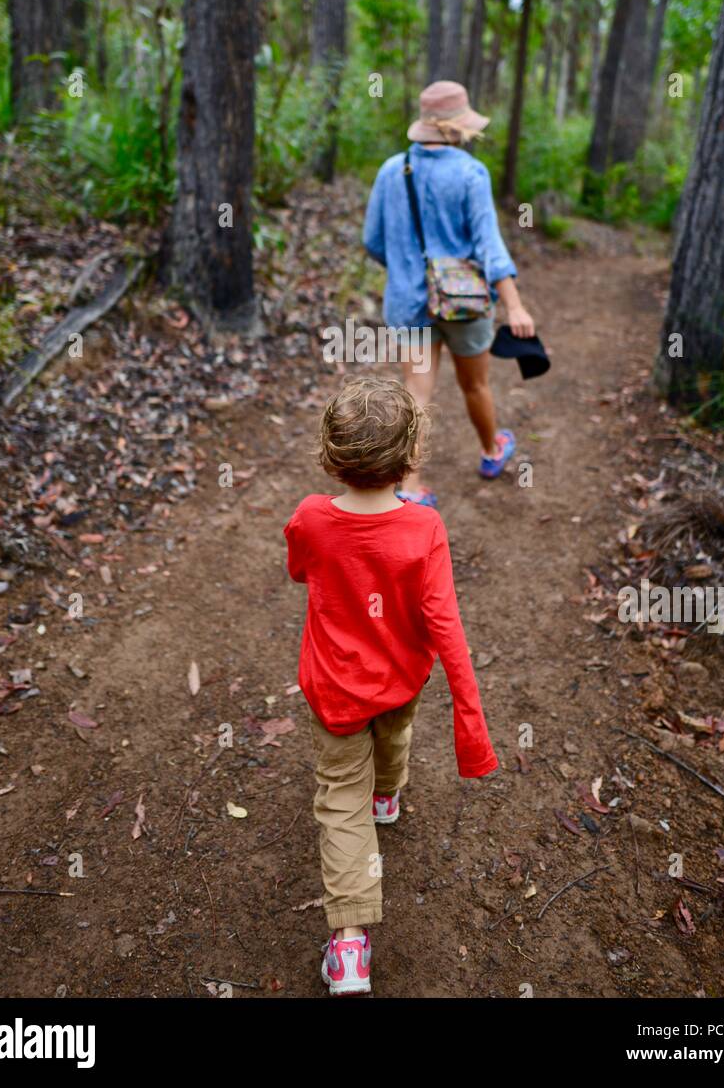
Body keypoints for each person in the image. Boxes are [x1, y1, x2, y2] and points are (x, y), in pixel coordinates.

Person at [284, 376, 498, 996]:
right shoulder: (424, 531)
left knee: (337, 803)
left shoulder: (311, 517)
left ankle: (349, 948)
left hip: (333, 690)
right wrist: (470, 717)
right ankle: (388, 795)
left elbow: (300, 566)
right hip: (401, 680)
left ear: (331, 455)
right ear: (411, 458)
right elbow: (445, 625)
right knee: (394, 735)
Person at [363, 79, 536, 507]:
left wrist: (406, 270)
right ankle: (492, 452)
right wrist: (514, 304)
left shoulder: (391, 170)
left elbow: (372, 239)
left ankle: (409, 488)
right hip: (465, 303)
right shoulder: (470, 173)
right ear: (454, 127)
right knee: (475, 385)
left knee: (417, 395)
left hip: (408, 303)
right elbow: (489, 248)